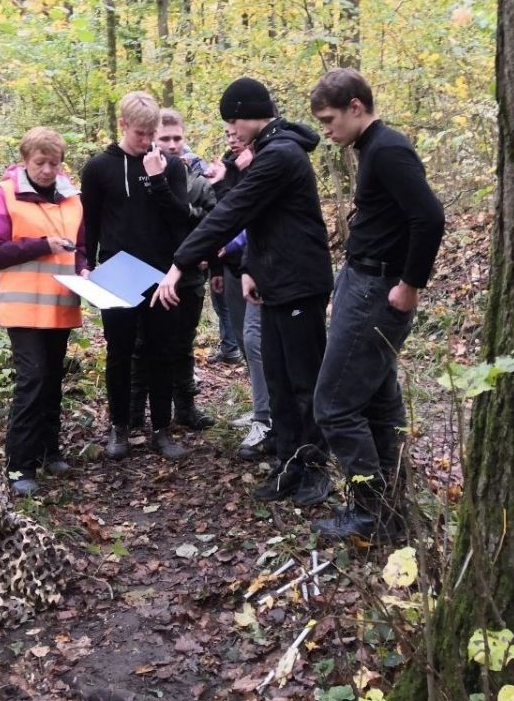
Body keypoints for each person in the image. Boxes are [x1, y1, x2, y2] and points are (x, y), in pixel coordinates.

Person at [153, 77, 334, 506]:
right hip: (273, 282)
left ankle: (314, 470)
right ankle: (288, 464)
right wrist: (251, 267)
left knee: (303, 381)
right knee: (277, 377)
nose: (230, 130)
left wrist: (178, 264)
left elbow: (234, 212)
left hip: (299, 284)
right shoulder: (268, 152)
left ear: (252, 115)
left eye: (234, 120)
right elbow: (265, 221)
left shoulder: (281, 156)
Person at [308, 68, 445, 541]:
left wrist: (410, 284)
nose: (326, 131)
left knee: (334, 405)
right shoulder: (372, 148)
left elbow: (429, 216)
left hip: (378, 287)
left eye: (329, 119)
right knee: (379, 398)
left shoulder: (388, 149)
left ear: (356, 107)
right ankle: (389, 503)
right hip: (363, 278)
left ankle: (369, 510)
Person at [80, 92, 194, 461]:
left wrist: (158, 178)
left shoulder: (171, 167)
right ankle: (120, 427)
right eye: (141, 133)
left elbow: (181, 219)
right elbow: (91, 221)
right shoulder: (99, 168)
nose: (147, 141)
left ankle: (161, 428)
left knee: (162, 350)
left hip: (161, 274)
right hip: (116, 272)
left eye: (152, 133)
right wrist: (86, 264)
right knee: (119, 352)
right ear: (123, 126)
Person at [0, 127, 87, 497]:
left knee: (54, 379)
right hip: (22, 307)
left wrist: (84, 267)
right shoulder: (4, 194)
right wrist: (42, 245)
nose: (46, 170)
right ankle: (20, 465)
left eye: (53, 164)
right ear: (26, 160)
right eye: (40, 163)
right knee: (33, 380)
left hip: (60, 305)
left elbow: (81, 246)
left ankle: (49, 451)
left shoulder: (72, 198)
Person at [129, 109, 217, 431]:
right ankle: (135, 414)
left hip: (189, 274)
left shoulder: (198, 179)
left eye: (177, 138)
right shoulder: (138, 175)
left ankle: (185, 409)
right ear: (153, 138)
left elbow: (212, 220)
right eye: (165, 138)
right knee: (142, 346)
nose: (172, 144)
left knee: (182, 343)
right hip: (148, 271)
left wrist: (192, 219)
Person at [209, 124, 272, 459]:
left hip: (261, 269)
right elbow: (224, 212)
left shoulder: (270, 166)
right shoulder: (229, 167)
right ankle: (262, 407)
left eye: (239, 136)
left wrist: (226, 244)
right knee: (244, 339)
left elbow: (253, 221)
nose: (233, 142)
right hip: (236, 270)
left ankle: (267, 418)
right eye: (229, 136)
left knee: (254, 339)